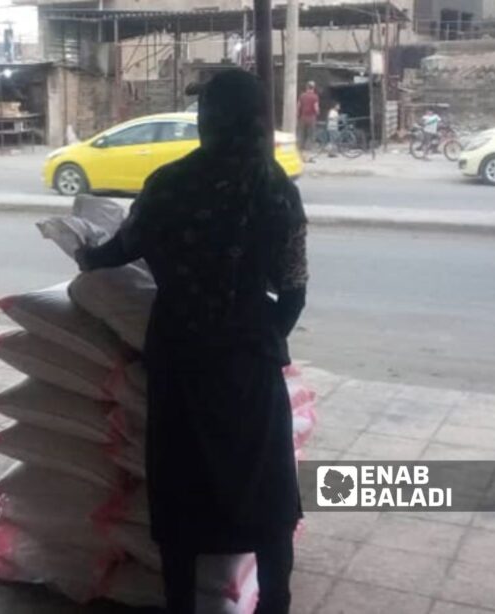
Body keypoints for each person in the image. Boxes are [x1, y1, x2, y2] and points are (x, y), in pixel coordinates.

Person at [77, 69, 307, 614]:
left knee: (182, 486)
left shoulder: (169, 183)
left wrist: (86, 253)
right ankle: (274, 602)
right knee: (264, 489)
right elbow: (293, 291)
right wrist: (256, 334)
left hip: (180, 356)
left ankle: (181, 603)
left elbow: (122, 248)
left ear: (208, 122)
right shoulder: (278, 191)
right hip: (250, 362)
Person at [296, 81, 320, 151]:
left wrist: (297, 115)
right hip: (311, 118)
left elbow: (298, 106)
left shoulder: (302, 95)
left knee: (301, 133)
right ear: (313, 88)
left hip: (303, 117)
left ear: (306, 87)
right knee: (311, 134)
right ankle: (308, 150)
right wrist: (318, 112)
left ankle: (300, 148)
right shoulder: (315, 97)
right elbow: (316, 107)